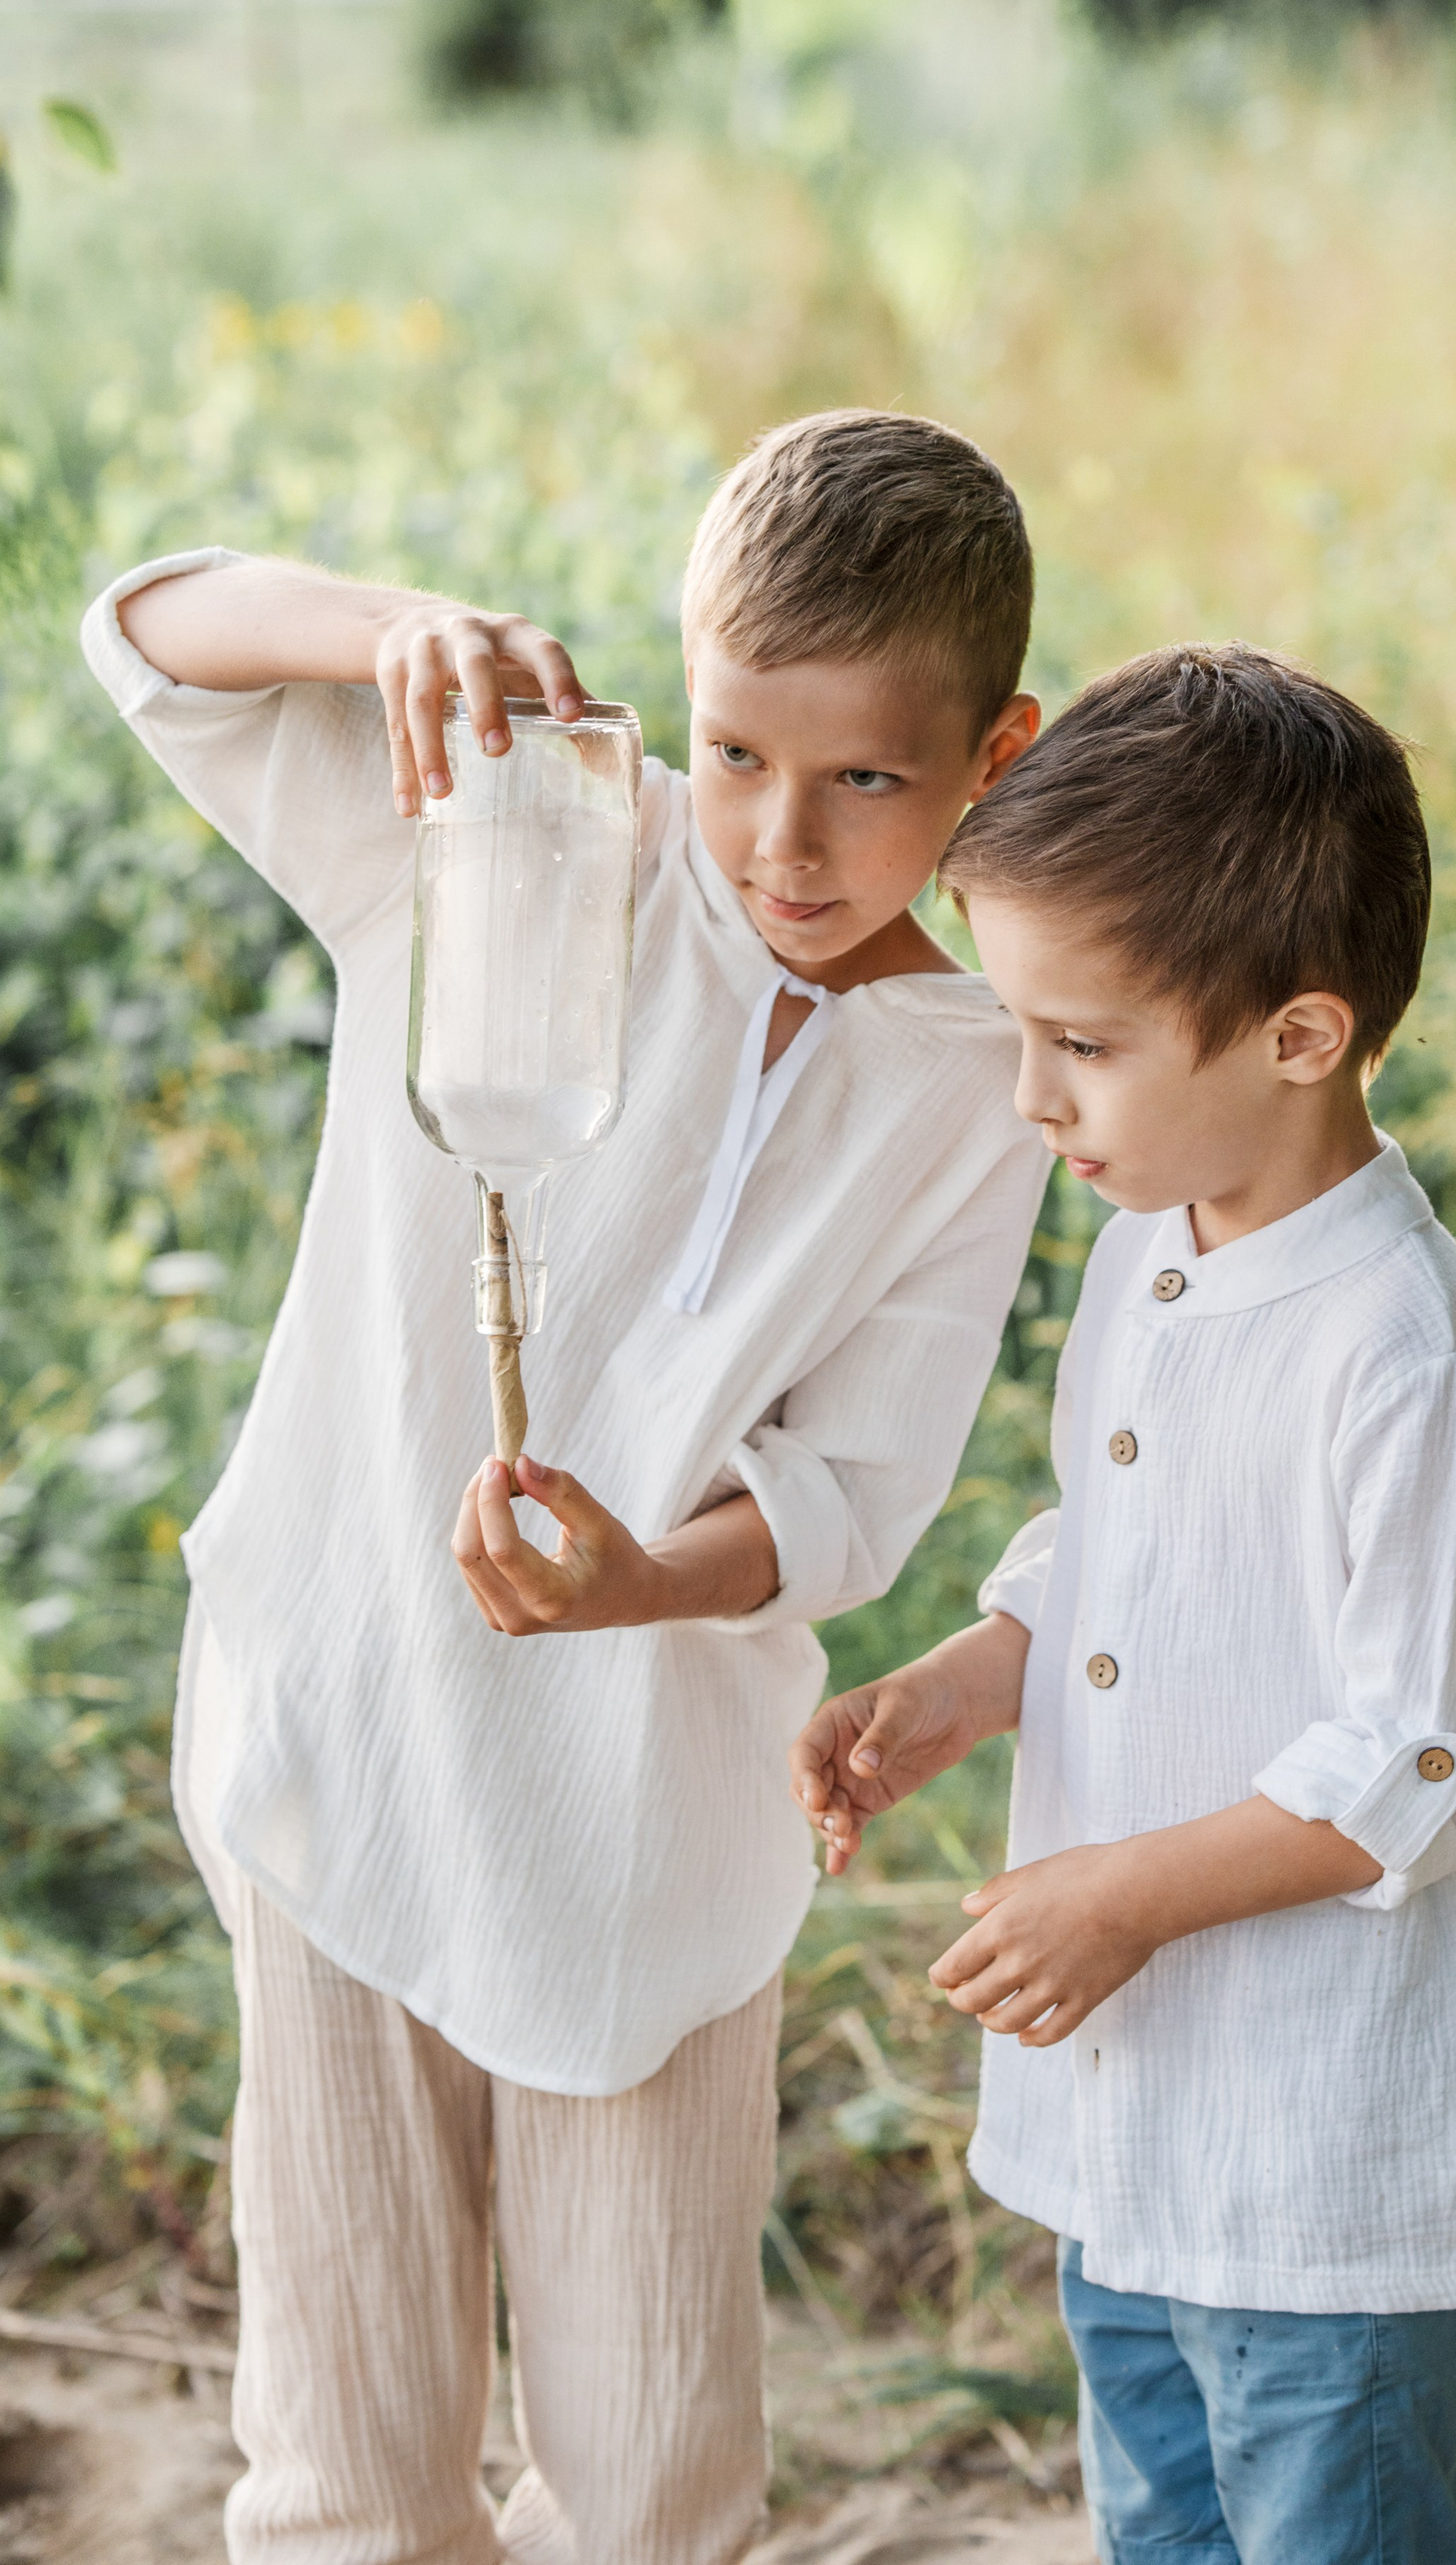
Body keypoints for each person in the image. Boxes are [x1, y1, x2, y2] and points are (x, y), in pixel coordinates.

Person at [82, 409, 1051, 2565]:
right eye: (733, 753)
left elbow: (857, 1485)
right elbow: (143, 637)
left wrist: (640, 1587)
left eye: (864, 781)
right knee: (347, 2466)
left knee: (654, 2482)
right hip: (347, 1731)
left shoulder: (982, 1086)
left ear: (992, 759)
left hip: (646, 1826)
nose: (779, 839)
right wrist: (391, 628)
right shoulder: (515, 843)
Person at [790, 644, 1456, 2565]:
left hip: (1326, 2171)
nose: (1028, 1096)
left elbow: (1418, 1759)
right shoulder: (1154, 1253)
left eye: (1080, 1044)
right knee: (1160, 2525)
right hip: (1143, 2141)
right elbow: (1123, 1541)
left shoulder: (1394, 1352)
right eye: (1018, 1032)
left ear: (1298, 1037)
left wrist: (1121, 1896)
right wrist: (975, 1677)